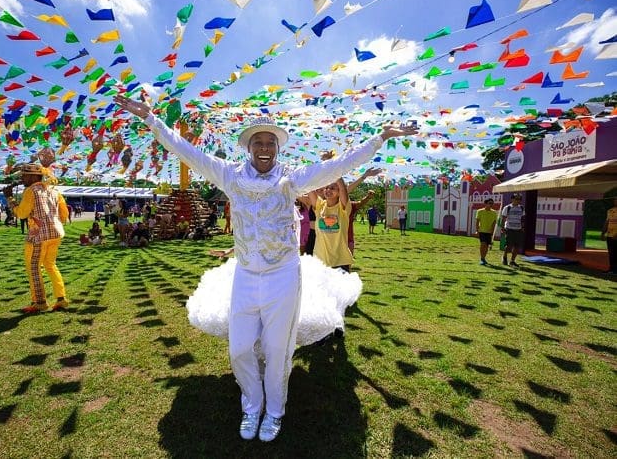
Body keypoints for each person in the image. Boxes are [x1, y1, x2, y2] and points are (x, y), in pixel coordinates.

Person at [114, 93, 417, 443]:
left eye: (269, 142)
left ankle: (274, 411)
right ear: (248, 147)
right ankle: (251, 404)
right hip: (245, 275)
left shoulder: (290, 180)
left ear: (277, 148)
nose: (264, 147)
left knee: (277, 349)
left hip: (283, 276)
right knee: (240, 347)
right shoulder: (228, 175)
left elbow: (338, 167)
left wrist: (380, 139)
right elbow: (187, 152)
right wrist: (153, 120)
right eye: (257, 141)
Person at [3, 163, 69, 313]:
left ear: (34, 176)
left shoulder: (30, 191)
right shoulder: (54, 191)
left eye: (25, 175)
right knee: (50, 265)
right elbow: (64, 214)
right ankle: (61, 298)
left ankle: (39, 302)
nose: (22, 178)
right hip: (56, 233)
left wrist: (9, 198)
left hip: (39, 236)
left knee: (34, 268)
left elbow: (21, 214)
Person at [308, 179, 354, 272]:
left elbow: (342, 188)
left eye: (332, 188)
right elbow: (310, 188)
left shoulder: (343, 208)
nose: (328, 190)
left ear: (339, 192)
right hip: (320, 261)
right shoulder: (320, 206)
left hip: (340, 261)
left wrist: (336, 172)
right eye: (326, 188)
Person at [500, 193, 525, 267]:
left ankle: (512, 261)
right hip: (509, 228)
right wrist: (502, 228)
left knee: (517, 246)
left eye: (520, 199)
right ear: (512, 199)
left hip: (518, 229)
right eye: (516, 199)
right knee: (509, 246)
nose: (518, 201)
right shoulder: (507, 207)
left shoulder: (521, 208)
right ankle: (504, 256)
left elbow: (522, 219)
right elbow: (503, 218)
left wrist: (523, 227)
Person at [475, 198, 497, 265]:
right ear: (486, 203)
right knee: (483, 244)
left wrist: (492, 231)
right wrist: (477, 230)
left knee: (487, 246)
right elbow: (477, 221)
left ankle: (484, 258)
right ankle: (482, 258)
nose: (491, 205)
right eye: (490, 203)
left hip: (489, 232)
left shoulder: (494, 212)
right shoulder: (480, 211)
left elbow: (494, 222)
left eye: (492, 203)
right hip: (482, 231)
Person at [601, 197, 617, 274]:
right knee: (611, 253)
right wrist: (603, 233)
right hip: (610, 235)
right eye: (615, 199)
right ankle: (611, 269)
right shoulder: (610, 211)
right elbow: (607, 222)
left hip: (616, 236)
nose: (615, 201)